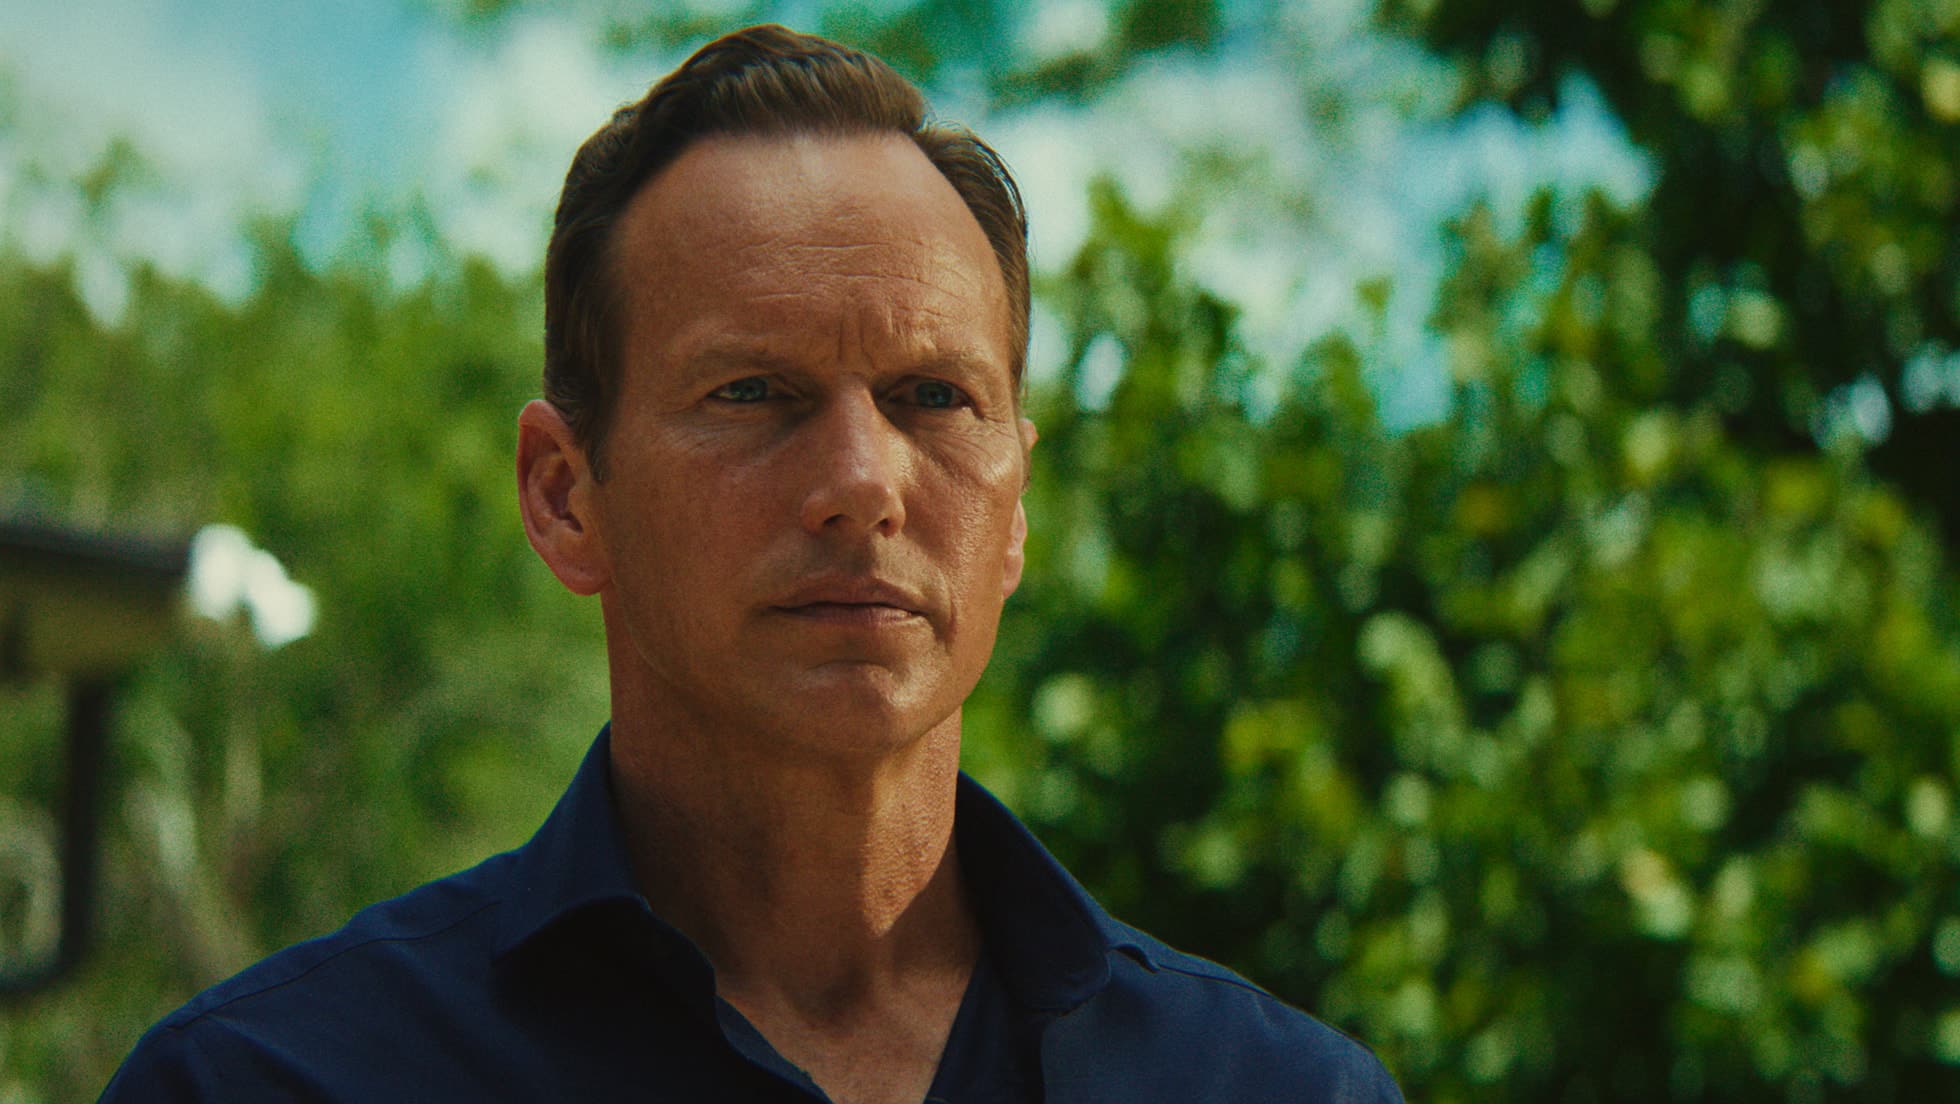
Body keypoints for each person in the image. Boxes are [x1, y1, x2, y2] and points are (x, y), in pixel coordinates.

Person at [101, 25, 1403, 1104]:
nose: (862, 484)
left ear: (1017, 512)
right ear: (565, 498)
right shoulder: (272, 1086)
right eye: (754, 391)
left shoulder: (1272, 1089)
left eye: (934, 397)